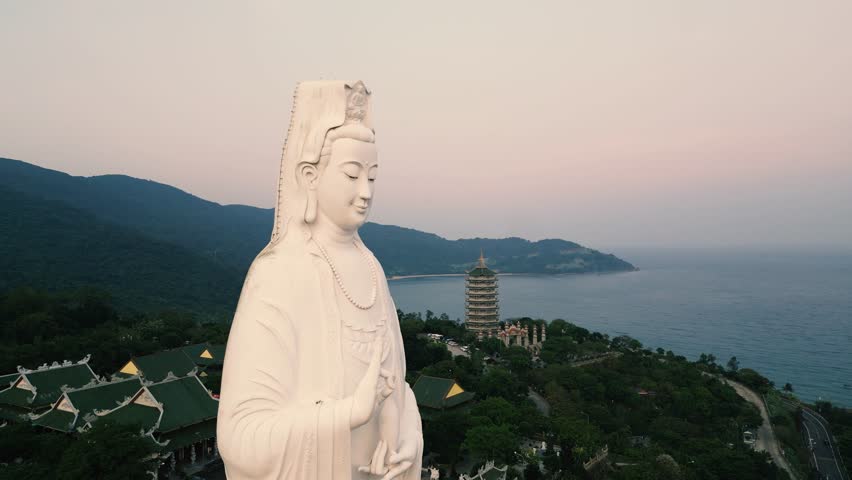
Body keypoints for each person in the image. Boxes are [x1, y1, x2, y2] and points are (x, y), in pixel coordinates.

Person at [217, 80, 423, 480]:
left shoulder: (372, 269)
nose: (366, 192)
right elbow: (240, 438)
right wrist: (348, 413)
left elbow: (396, 386)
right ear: (310, 176)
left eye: (374, 177)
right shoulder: (279, 272)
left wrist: (409, 438)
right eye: (351, 175)